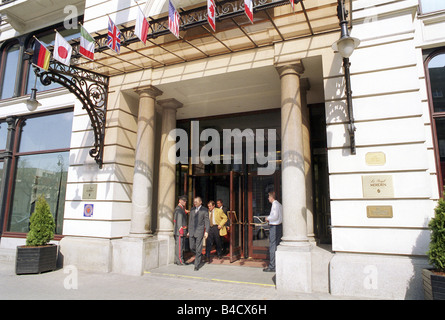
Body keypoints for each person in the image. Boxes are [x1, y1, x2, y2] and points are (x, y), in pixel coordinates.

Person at [187, 197, 210, 271]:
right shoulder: (192, 209)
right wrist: (188, 231)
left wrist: (206, 231)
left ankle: (196, 265)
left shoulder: (204, 210)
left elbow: (207, 221)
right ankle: (200, 254)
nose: (195, 203)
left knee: (199, 247)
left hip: (199, 231)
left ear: (200, 202)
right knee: (191, 247)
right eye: (194, 201)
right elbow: (190, 221)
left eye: (196, 201)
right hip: (192, 231)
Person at [263, 191, 282, 272]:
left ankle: (272, 266)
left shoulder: (275, 204)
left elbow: (274, 216)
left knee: (272, 245)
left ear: (271, 197)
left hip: (274, 226)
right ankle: (276, 264)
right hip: (279, 226)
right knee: (276, 244)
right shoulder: (279, 204)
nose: (268, 198)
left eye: (268, 197)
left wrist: (268, 218)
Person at [173, 195, 188, 266]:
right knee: (179, 247)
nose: (185, 202)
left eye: (185, 201)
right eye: (183, 200)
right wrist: (180, 230)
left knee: (180, 246)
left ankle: (179, 260)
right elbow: (178, 220)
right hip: (180, 232)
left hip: (181, 231)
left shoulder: (181, 209)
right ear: (180, 201)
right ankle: (179, 261)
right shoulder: (179, 209)